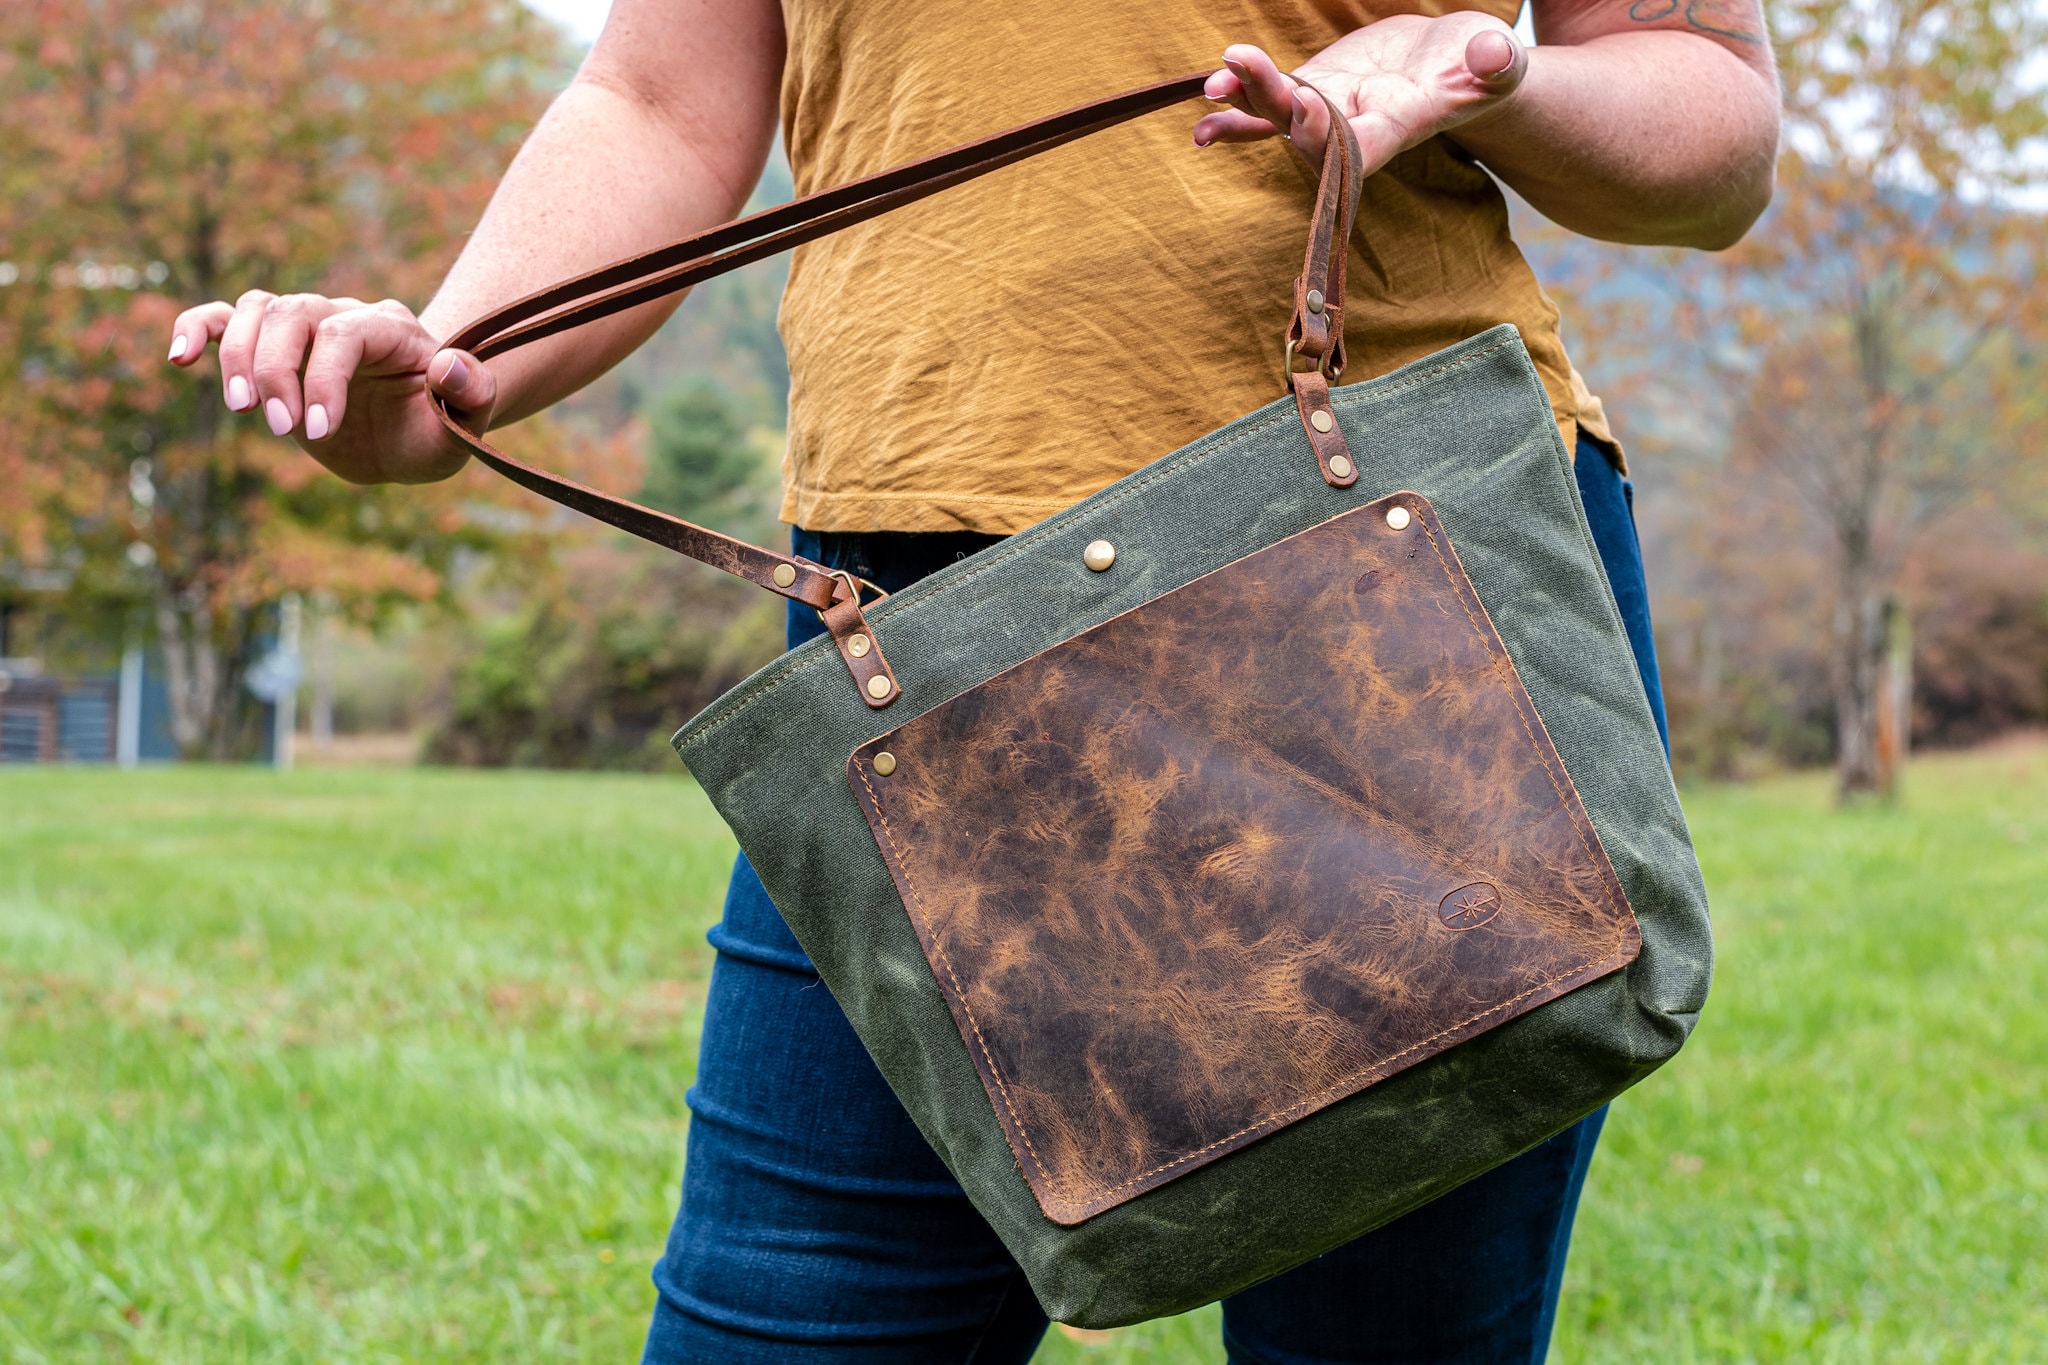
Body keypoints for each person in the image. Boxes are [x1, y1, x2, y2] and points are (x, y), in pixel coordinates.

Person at [168, 0, 1778, 1358]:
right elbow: (660, 102)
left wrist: (1491, 67)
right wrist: (455, 360)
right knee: (787, 1304)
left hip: (1380, 589)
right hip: (910, 638)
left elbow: (1709, 117)